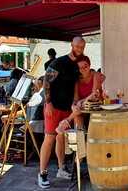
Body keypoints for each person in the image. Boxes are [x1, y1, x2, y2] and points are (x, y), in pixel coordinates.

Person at [38, 37, 85, 189]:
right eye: (77, 46)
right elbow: (46, 81)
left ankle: (61, 168)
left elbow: (75, 87)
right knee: (50, 138)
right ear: (72, 45)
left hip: (67, 108)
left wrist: (75, 102)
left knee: (61, 138)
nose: (79, 48)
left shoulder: (77, 65)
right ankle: (42, 174)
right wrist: (48, 102)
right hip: (54, 106)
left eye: (82, 46)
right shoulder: (59, 62)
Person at [60, 56, 104, 129]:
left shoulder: (96, 75)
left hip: (95, 106)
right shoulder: (77, 79)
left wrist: (81, 101)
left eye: (85, 66)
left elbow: (94, 94)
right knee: (77, 115)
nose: (83, 69)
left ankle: (67, 120)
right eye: (80, 67)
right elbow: (76, 98)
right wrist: (73, 106)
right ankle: (80, 138)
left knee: (80, 107)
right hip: (82, 108)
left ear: (89, 65)